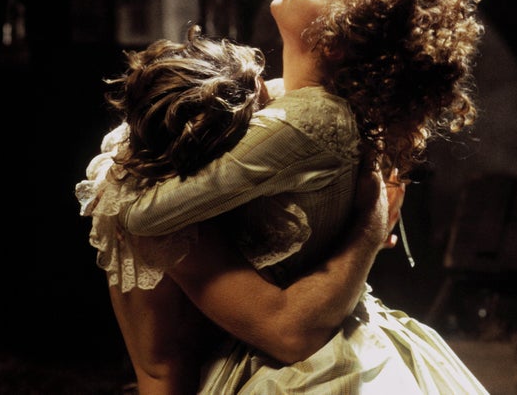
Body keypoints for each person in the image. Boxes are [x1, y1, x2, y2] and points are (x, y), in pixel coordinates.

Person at [112, 0, 488, 393]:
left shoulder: (313, 120)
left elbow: (141, 215)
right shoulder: (299, 105)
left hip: (305, 353)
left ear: (333, 42)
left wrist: (116, 172)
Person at [76, 25, 402, 394]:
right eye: (261, 124)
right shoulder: (175, 230)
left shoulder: (184, 167)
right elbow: (285, 334)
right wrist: (370, 226)